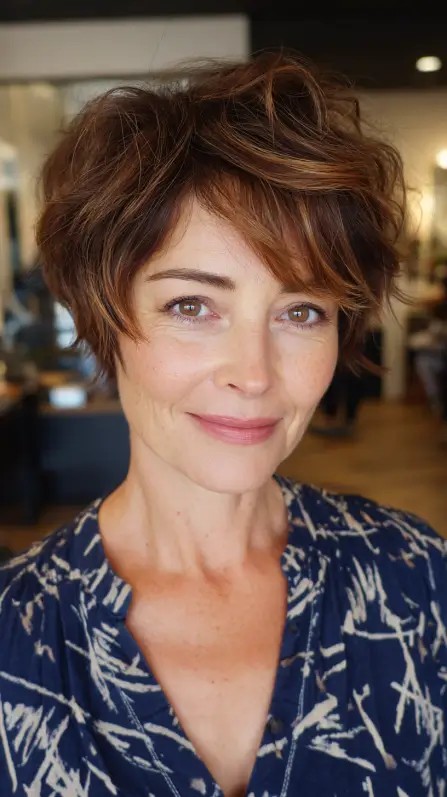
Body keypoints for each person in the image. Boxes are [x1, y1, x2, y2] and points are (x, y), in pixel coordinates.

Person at [0, 52, 445, 797]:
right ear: (104, 317)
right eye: (192, 306)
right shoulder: (15, 637)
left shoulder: (417, 578)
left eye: (300, 311)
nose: (254, 373)